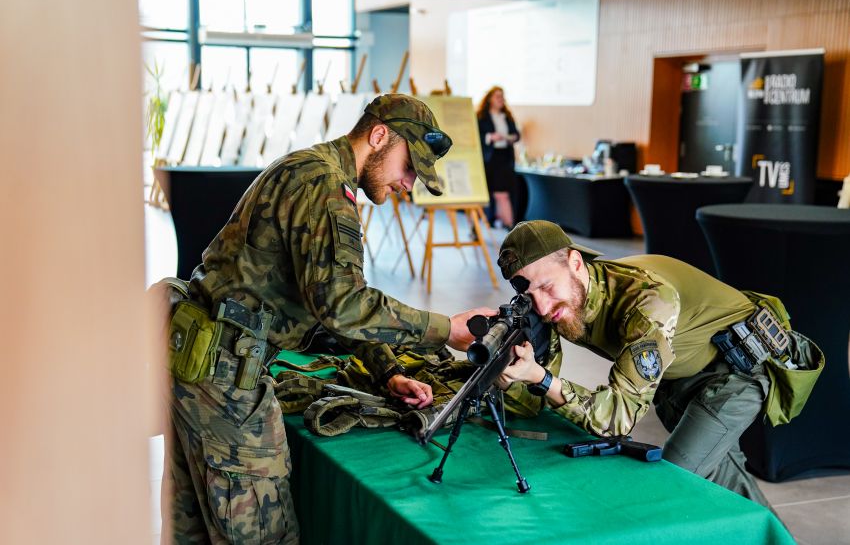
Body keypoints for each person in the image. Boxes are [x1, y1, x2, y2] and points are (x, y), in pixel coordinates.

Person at [163, 94, 492, 544]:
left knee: (193, 532)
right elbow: (344, 305)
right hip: (226, 378)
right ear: (378, 136)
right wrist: (446, 329)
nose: (407, 183)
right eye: (408, 166)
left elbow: (323, 303)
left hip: (195, 362)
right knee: (264, 535)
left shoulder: (305, 168)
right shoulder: (327, 191)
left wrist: (388, 370)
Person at [494, 220, 822, 508]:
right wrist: (510, 377)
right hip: (683, 374)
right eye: (529, 295)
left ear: (576, 263)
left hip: (738, 367)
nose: (542, 305)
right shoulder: (557, 303)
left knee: (674, 482)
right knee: (728, 483)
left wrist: (541, 377)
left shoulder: (647, 301)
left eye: (547, 287)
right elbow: (533, 407)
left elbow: (616, 419)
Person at [477, 86, 521, 229]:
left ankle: (511, 229)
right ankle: (475, 228)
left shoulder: (507, 116)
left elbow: (516, 134)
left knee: (503, 195)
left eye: (502, 96)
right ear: (490, 98)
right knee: (482, 196)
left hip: (504, 158)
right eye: (497, 96)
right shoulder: (481, 117)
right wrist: (490, 137)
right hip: (488, 159)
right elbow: (477, 136)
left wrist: (512, 137)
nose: (501, 99)